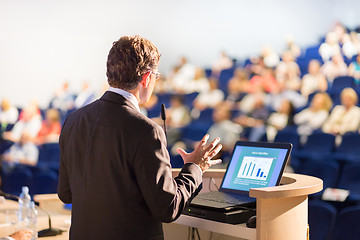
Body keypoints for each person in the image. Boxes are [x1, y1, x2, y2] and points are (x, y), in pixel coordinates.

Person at [57, 35, 222, 240]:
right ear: (147, 78)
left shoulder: (74, 120)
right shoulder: (146, 130)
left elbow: (66, 194)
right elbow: (167, 208)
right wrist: (195, 168)